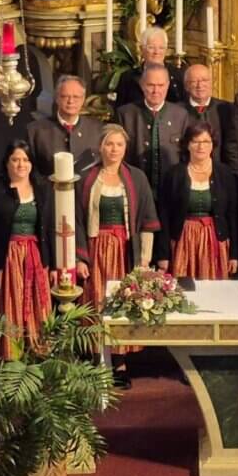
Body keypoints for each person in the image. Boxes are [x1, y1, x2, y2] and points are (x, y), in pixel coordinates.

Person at [74, 124, 161, 387]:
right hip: (97, 249)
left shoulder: (137, 178)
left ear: (126, 148)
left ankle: (120, 361)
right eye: (109, 144)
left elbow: (147, 220)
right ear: (100, 147)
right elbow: (76, 220)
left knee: (122, 302)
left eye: (119, 144)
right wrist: (79, 258)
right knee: (96, 301)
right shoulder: (87, 179)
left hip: (125, 251)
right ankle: (97, 360)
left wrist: (144, 259)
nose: (114, 149)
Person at [0, 141, 53, 360]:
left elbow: (49, 228)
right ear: (7, 163)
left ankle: (38, 358)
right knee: (9, 306)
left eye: (26, 160)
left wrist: (51, 263)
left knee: (38, 307)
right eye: (15, 159)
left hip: (34, 256)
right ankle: (10, 358)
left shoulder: (42, 188)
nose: (21, 164)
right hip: (6, 257)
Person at [159, 123, 238, 279]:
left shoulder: (224, 173)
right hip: (184, 240)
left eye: (206, 141)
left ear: (212, 145)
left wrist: (234, 255)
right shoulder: (174, 174)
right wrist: (163, 255)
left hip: (215, 240)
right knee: (184, 287)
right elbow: (164, 216)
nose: (201, 146)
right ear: (187, 145)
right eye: (195, 141)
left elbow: (233, 215)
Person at [117, 63, 191, 201]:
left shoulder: (181, 115)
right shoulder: (125, 114)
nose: (156, 90)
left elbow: (186, 155)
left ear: (168, 85)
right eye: (151, 85)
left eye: (161, 85)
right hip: (135, 189)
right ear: (142, 85)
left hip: (171, 192)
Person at [26, 75, 103, 176]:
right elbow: (30, 170)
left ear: (83, 99)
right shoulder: (35, 131)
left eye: (76, 97)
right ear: (57, 98)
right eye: (65, 96)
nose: (71, 101)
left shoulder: (98, 129)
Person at [182, 63, 238, 174]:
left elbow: (233, 147)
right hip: (187, 173)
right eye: (194, 81)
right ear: (186, 86)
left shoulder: (228, 109)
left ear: (211, 83)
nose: (200, 85)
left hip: (221, 174)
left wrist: (233, 175)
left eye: (204, 80)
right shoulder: (177, 111)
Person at [115, 26, 186, 108]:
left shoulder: (178, 75)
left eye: (161, 48)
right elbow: (120, 110)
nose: (156, 52)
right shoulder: (128, 77)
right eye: (151, 47)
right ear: (141, 49)